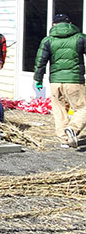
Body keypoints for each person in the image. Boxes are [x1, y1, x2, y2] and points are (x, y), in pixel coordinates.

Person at [33, 13, 86, 149]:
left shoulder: (48, 40)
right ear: (70, 23)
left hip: (55, 82)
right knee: (82, 108)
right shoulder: (80, 38)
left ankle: (64, 140)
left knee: (60, 110)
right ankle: (73, 129)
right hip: (74, 80)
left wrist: (38, 79)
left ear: (54, 25)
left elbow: (40, 62)